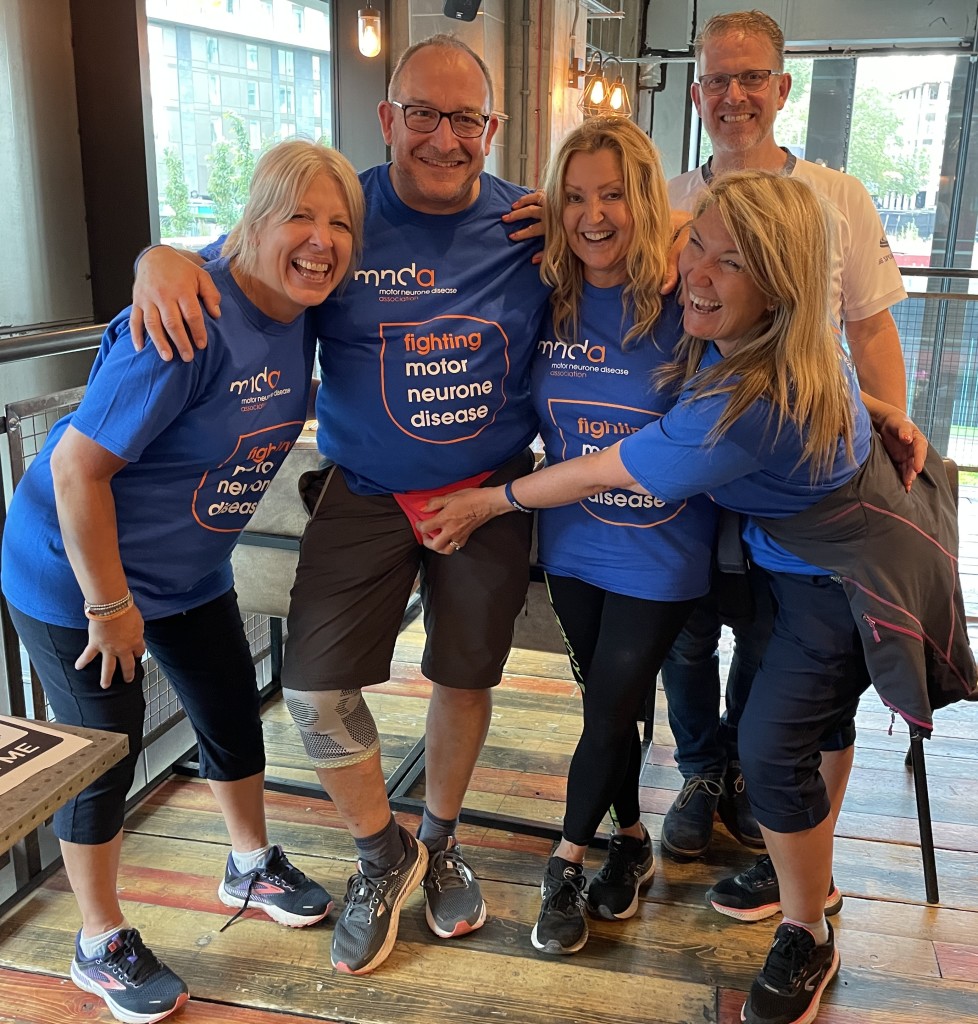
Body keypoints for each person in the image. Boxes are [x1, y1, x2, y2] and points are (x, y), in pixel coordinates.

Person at [418, 170, 975, 1024]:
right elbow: (673, 241)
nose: (697, 272)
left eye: (731, 261)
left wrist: (495, 500)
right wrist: (884, 407)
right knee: (809, 724)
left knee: (774, 740)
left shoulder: (747, 407)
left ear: (780, 286)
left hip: (843, 573)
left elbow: (614, 467)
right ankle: (807, 880)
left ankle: (807, 931)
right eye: (698, 246)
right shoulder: (778, 340)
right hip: (782, 555)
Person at [131, 35, 552, 976]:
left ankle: (441, 839)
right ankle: (381, 853)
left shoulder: (534, 224)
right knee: (316, 691)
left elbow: (630, 268)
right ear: (386, 118)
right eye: (422, 115)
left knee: (464, 679)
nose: (445, 140)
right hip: (364, 491)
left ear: (493, 127)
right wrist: (154, 257)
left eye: (466, 121)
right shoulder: (346, 215)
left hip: (485, 494)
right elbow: (238, 260)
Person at [0, 139, 364, 1024]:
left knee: (231, 712)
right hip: (75, 573)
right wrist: (110, 606)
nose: (321, 240)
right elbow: (78, 473)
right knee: (103, 752)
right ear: (254, 220)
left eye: (340, 223)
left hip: (187, 570)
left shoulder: (306, 302)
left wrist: (150, 252)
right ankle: (97, 940)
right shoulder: (186, 323)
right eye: (300, 217)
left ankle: (247, 860)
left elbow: (177, 253)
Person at [658, 8, 911, 866]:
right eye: (718, 80)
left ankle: (751, 776)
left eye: (751, 77)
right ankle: (700, 772)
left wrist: (885, 439)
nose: (735, 95)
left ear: (782, 87)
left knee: (774, 634)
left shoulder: (837, 196)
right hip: (698, 461)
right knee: (688, 630)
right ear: (696, 94)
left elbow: (870, 333)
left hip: (803, 480)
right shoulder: (667, 200)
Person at [519, 116, 717, 955]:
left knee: (613, 698)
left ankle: (565, 860)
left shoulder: (691, 300)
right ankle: (629, 840)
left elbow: (778, 361)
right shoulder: (547, 292)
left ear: (647, 200)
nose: (592, 215)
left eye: (611, 195)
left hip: (665, 550)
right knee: (613, 701)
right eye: (574, 198)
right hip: (571, 543)